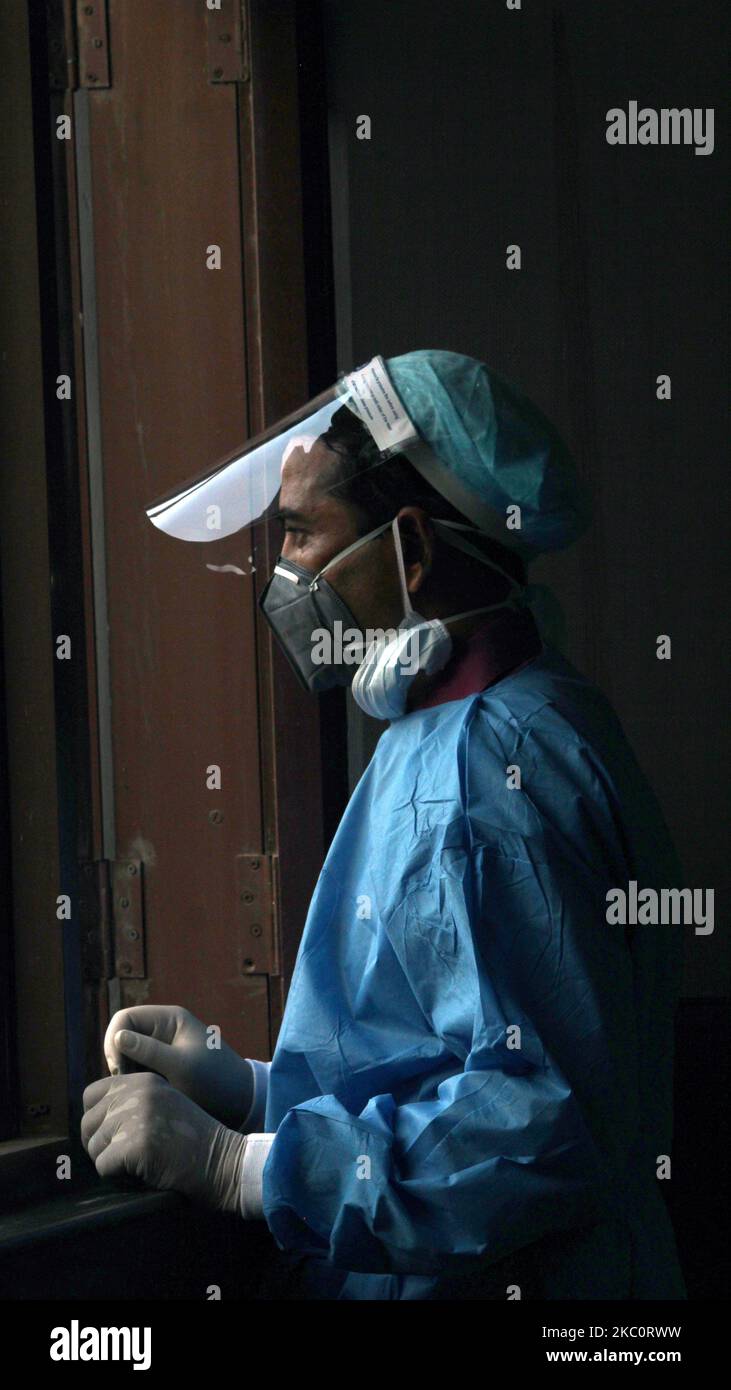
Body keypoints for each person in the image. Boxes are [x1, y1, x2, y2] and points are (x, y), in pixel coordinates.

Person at [82, 350, 687, 1299]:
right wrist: (249, 1089)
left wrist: (239, 1168)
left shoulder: (494, 769)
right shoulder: (452, 725)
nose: (283, 574)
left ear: (409, 549)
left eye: (300, 535)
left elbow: (538, 1120)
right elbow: (433, 1057)